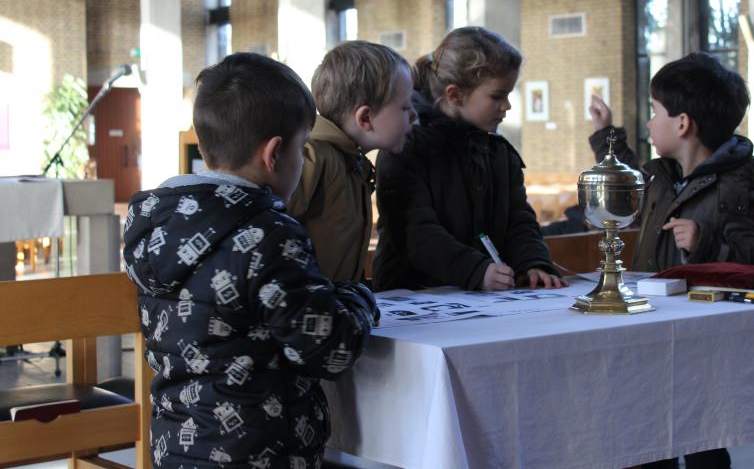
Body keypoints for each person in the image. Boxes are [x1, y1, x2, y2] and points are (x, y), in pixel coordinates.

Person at [123, 52, 378, 469]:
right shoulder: (268, 234)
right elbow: (328, 349)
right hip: (262, 454)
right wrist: (359, 300)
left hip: (178, 448)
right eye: (303, 148)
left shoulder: (158, 225)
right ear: (274, 153)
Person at [591, 52, 754, 469]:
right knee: (644, 436)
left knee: (701, 439)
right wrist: (606, 134)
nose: (648, 121)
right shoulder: (663, 175)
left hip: (700, 340)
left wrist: (705, 242)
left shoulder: (736, 186)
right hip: (649, 329)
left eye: (654, 111)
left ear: (682, 124)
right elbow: (628, 186)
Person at [373, 26, 565, 292]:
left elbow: (519, 221)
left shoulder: (498, 151)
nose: (507, 106)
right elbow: (415, 233)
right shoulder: (405, 146)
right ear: (455, 95)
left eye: (508, 95)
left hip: (483, 296)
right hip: (416, 295)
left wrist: (533, 263)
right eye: (497, 96)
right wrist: (475, 270)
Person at [286, 41, 416, 284]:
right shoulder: (312, 157)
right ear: (366, 117)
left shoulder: (352, 163)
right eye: (405, 107)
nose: (414, 116)